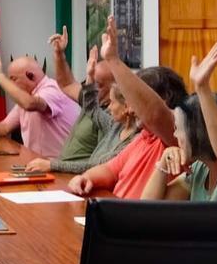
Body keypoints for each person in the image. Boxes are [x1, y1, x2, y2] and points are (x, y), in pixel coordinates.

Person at [67, 16, 190, 199]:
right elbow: (110, 170)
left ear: (163, 99)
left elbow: (154, 114)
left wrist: (113, 60)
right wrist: (85, 178)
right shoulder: (144, 137)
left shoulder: (175, 135)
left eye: (135, 99)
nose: (130, 108)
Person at [142, 38, 217, 201]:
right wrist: (164, 163)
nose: (176, 135)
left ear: (198, 131)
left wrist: (202, 88)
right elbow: (149, 210)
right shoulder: (199, 170)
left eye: (179, 128)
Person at [0, 51, 81, 158]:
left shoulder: (51, 89)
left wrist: (0, 76)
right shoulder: (30, 95)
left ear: (30, 76)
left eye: (13, 79)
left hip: (61, 168)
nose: (12, 86)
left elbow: (29, 104)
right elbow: (4, 127)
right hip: (37, 164)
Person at [47, 26, 117, 162]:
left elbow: (100, 164)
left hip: (79, 177)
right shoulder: (93, 98)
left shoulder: (112, 116)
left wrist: (53, 166)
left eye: (99, 84)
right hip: (63, 172)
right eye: (90, 80)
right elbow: (66, 84)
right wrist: (59, 54)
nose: (92, 87)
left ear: (114, 87)